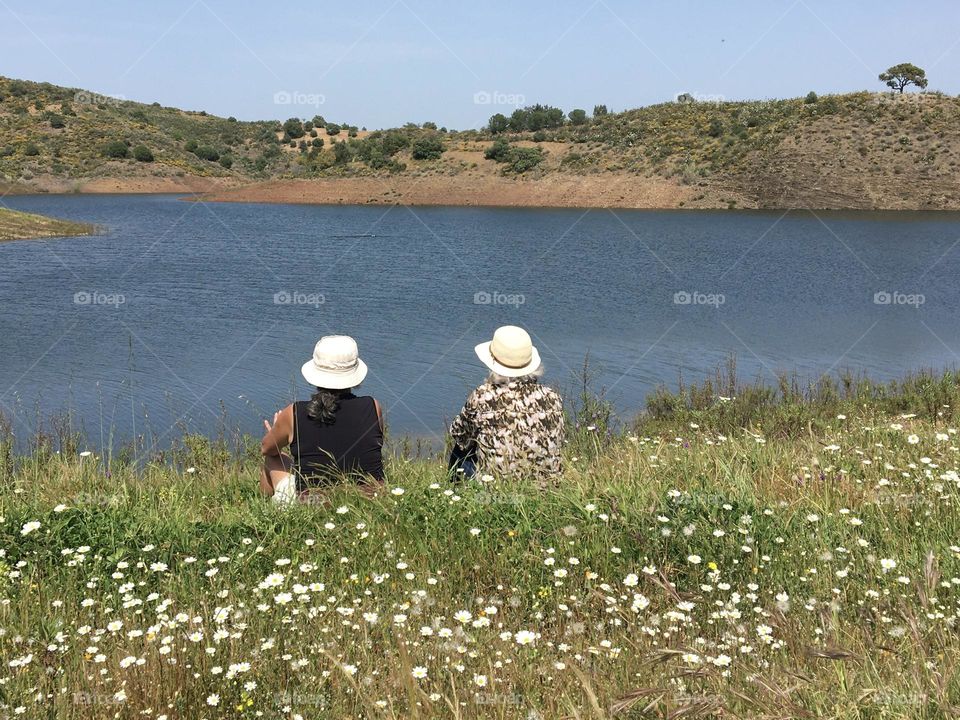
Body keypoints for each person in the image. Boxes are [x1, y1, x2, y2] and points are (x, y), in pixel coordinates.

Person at [260, 335, 384, 503]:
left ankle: (266, 511)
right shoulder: (373, 406)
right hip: (372, 501)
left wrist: (277, 431)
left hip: (313, 503)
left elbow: (267, 450)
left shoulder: (293, 412)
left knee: (274, 459)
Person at [449, 325, 564, 479]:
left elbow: (458, 434)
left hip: (495, 487)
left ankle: (455, 493)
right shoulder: (553, 397)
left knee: (460, 450)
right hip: (547, 489)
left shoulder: (482, 396)